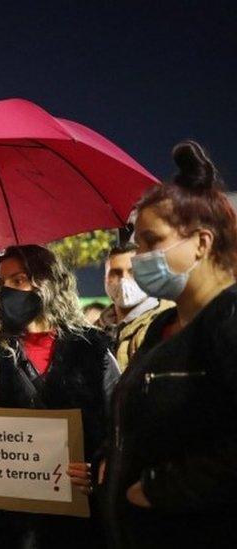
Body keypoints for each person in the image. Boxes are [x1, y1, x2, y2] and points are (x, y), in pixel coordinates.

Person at [104, 141, 237, 548]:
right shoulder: (164, 325)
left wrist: (157, 489)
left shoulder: (228, 320)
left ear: (201, 242)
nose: (139, 257)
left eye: (151, 241)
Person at [0, 244, 119, 548]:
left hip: (78, 522)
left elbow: (120, 423)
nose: (8, 291)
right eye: (2, 284)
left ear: (47, 283)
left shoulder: (92, 348)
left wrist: (99, 467)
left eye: (18, 281)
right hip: (11, 525)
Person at [96, 242, 174, 370]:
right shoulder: (97, 328)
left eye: (133, 272)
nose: (124, 279)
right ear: (105, 278)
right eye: (116, 273)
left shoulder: (161, 326)